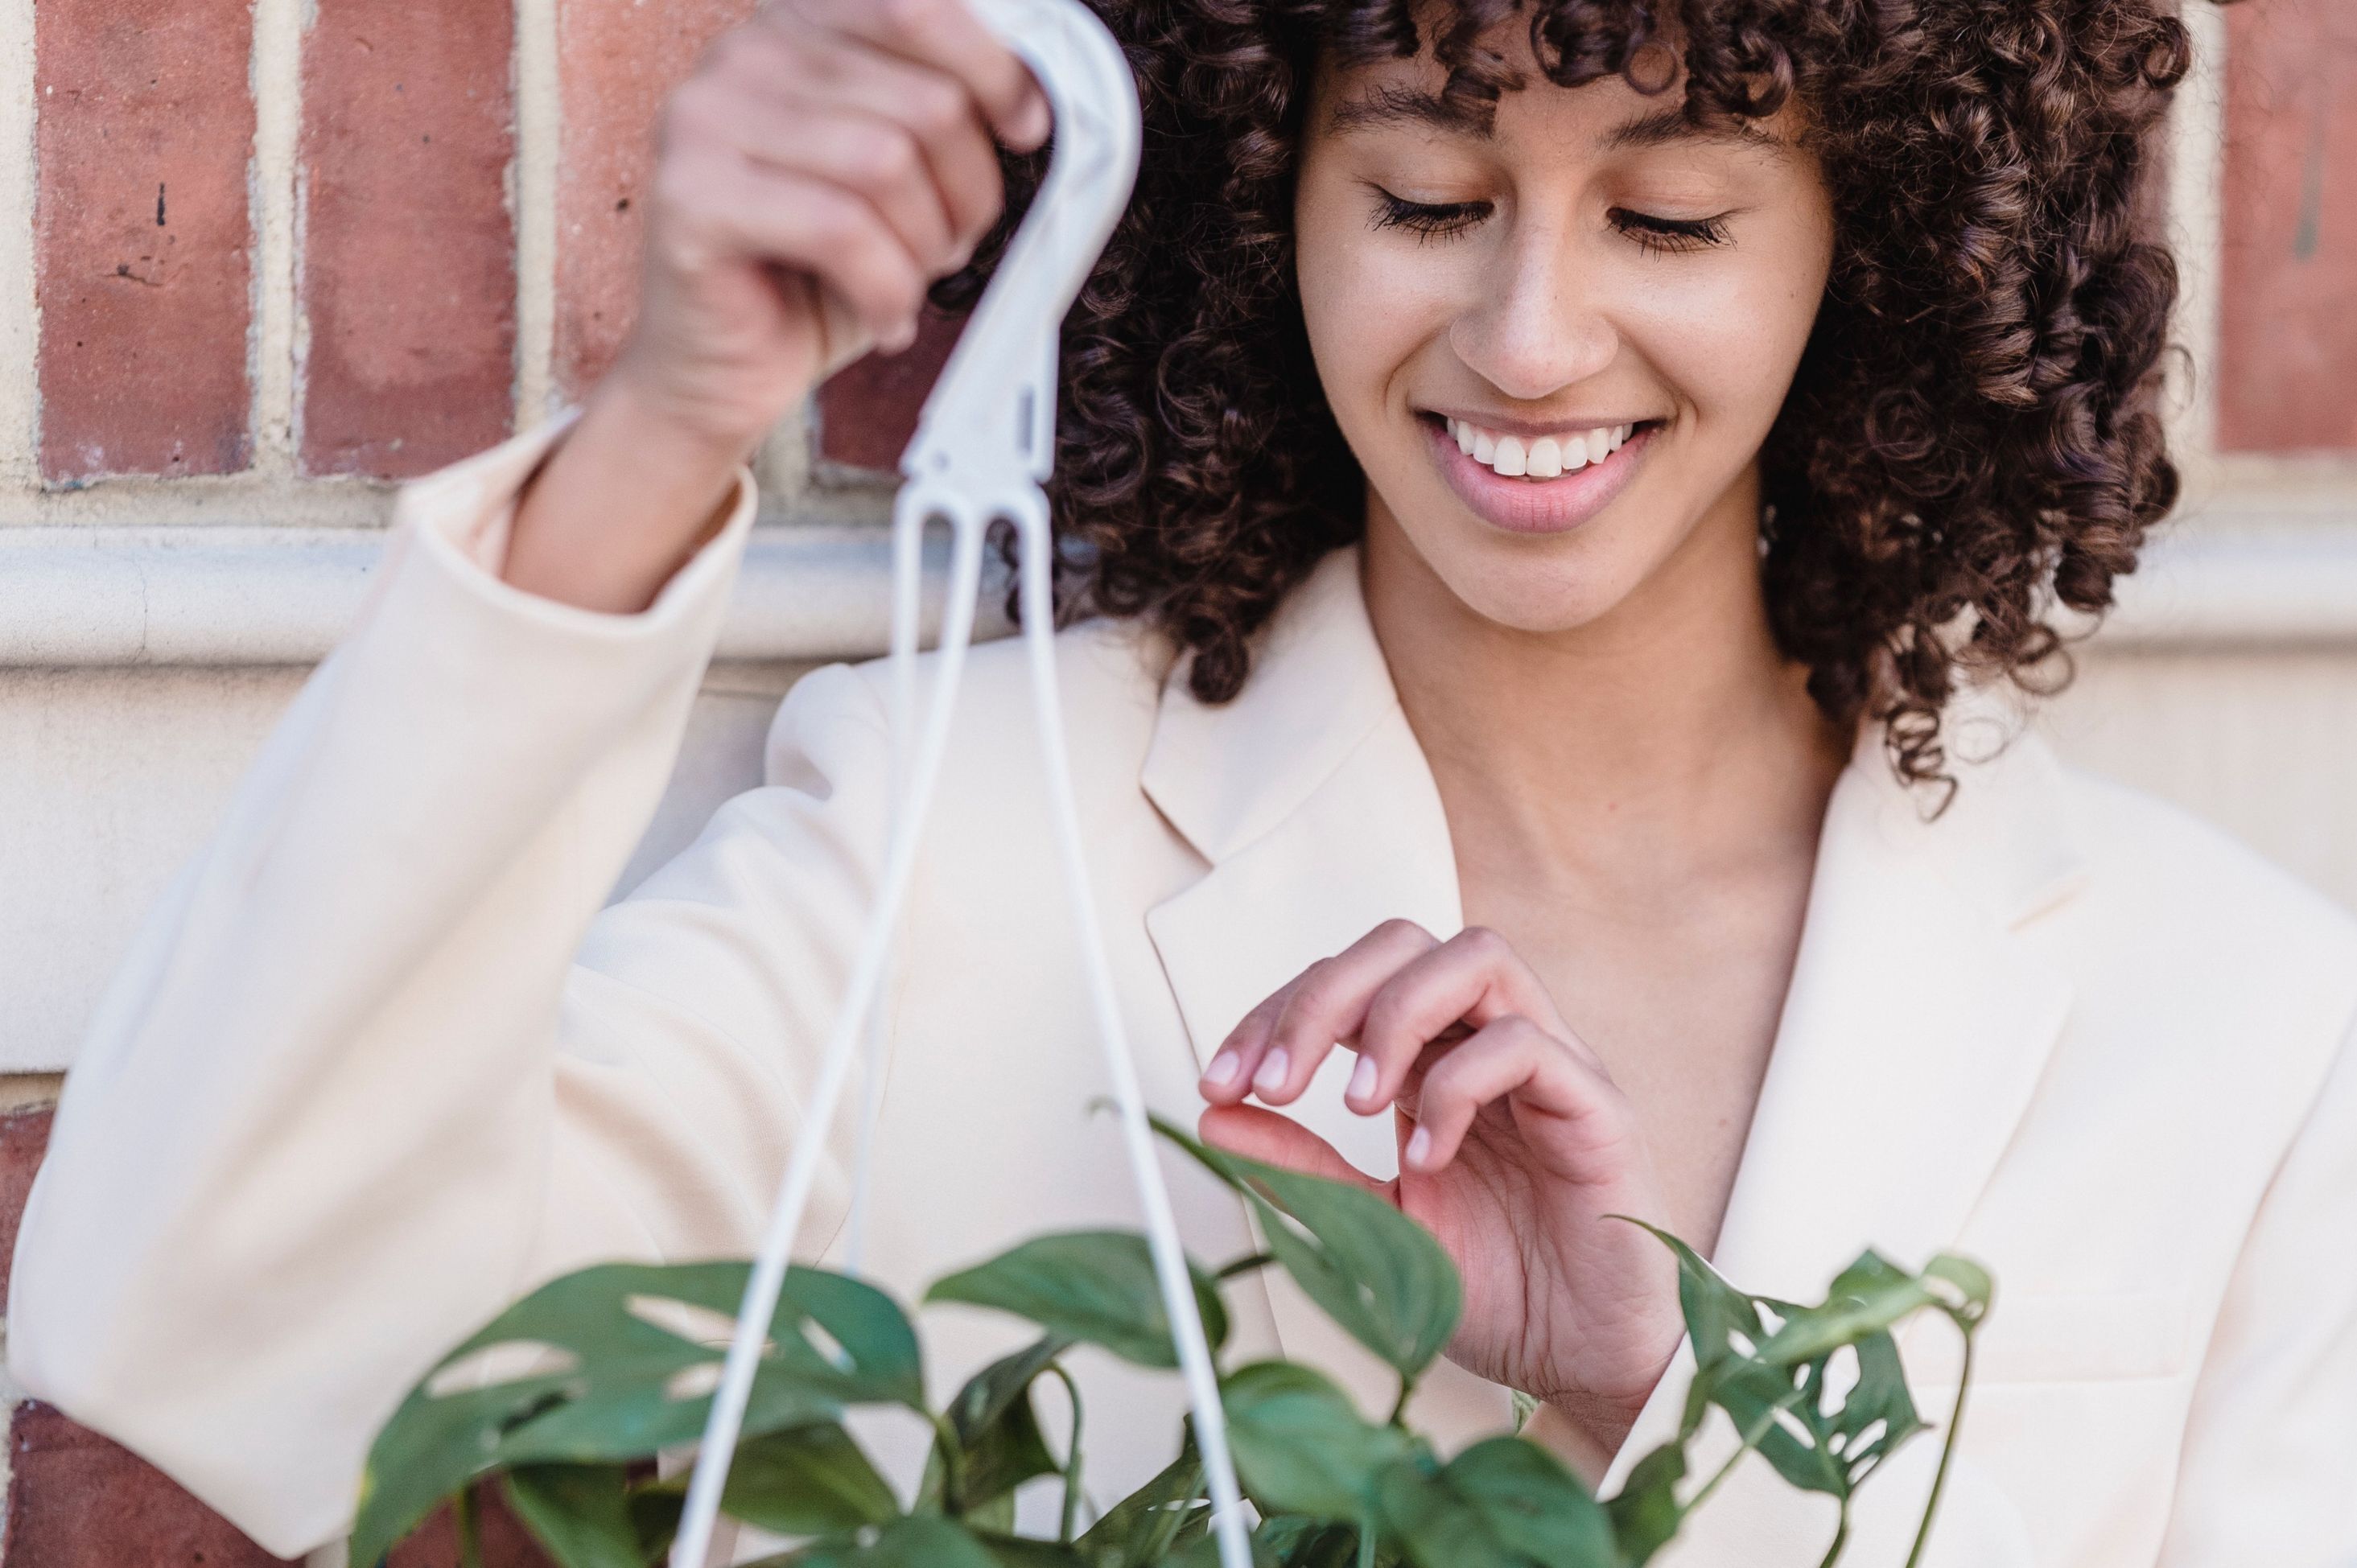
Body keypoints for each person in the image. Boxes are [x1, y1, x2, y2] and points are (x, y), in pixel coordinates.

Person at [11, 0, 2354, 1562]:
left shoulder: (2241, 1024)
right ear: (1265, 206)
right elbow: (216, 1325)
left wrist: (1631, 1417)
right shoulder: (941, 845)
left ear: (1872, 253)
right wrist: (664, 426)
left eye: (1666, 217)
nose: (1528, 335)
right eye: (1425, 197)